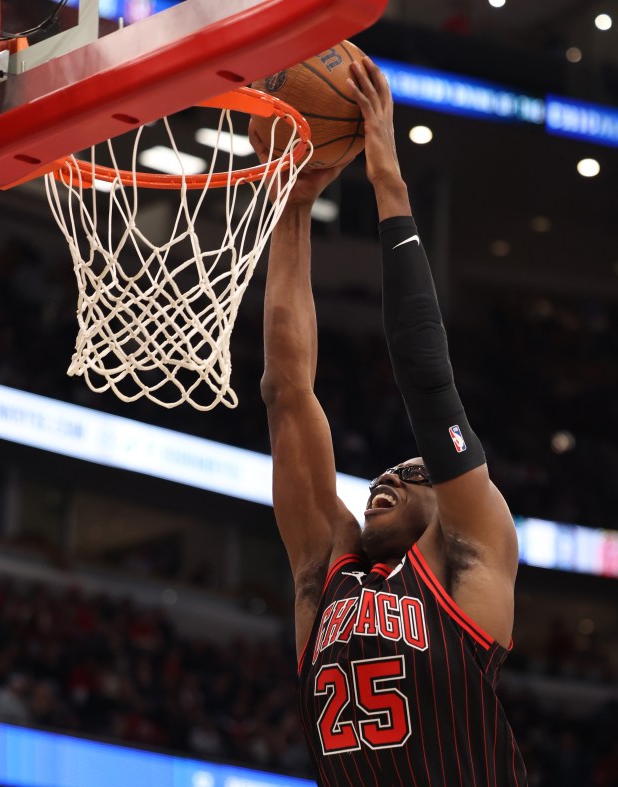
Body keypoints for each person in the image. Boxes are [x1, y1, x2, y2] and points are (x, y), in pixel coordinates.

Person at [253, 56, 527, 786]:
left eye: (413, 472)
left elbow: (425, 377)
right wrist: (294, 204)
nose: (387, 475)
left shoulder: (472, 557)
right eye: (391, 470)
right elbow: (287, 392)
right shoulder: (325, 571)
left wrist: (388, 181)